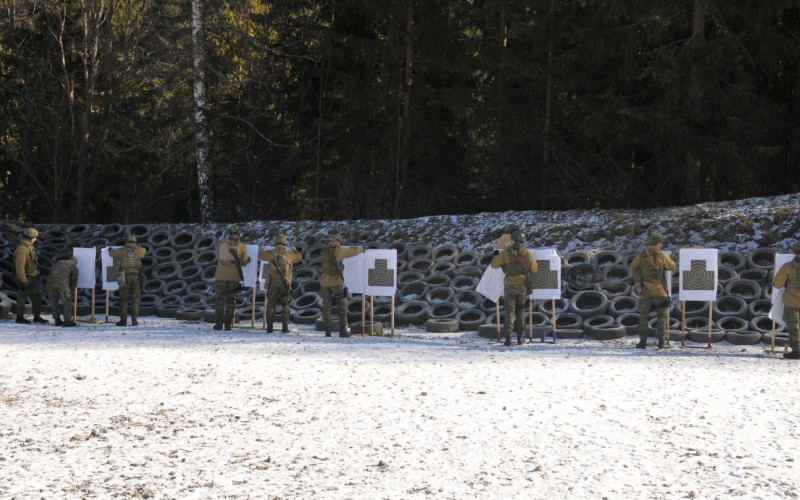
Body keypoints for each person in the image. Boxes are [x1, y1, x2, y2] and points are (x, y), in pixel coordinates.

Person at [490, 230, 537, 346]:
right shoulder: (527, 254)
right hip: (522, 286)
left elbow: (494, 265)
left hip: (510, 287)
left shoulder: (506, 253)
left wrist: (496, 256)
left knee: (509, 312)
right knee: (520, 312)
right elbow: (534, 269)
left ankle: (508, 339)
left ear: (513, 240)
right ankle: (520, 338)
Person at [630, 232, 677, 349]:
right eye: (661, 242)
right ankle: (661, 342)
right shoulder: (662, 256)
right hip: (660, 291)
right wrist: (672, 259)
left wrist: (639, 278)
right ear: (658, 243)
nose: (662, 244)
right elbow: (672, 267)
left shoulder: (641, 255)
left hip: (645, 289)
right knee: (661, 317)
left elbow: (632, 267)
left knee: (643, 316)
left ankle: (642, 342)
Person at [320, 235, 363, 337]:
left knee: (327, 306)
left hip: (324, 283)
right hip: (336, 282)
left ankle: (328, 330)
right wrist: (363, 249)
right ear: (338, 242)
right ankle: (343, 330)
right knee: (342, 306)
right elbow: (353, 251)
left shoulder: (324, 250)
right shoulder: (339, 251)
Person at [258, 234, 302, 333]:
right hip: (284, 282)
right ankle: (285, 327)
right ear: (285, 243)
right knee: (285, 305)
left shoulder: (270, 253)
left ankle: (269, 327)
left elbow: (260, 256)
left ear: (276, 243)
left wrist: (261, 249)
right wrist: (295, 250)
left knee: (271, 305)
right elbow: (299, 257)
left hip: (272, 282)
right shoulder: (288, 254)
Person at [214, 224, 251, 331]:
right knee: (231, 300)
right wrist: (247, 261)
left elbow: (220, 256)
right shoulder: (241, 246)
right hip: (234, 277)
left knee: (219, 300)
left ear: (229, 232)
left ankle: (218, 324)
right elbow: (244, 262)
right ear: (239, 233)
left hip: (221, 275)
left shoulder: (221, 244)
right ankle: (228, 325)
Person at [109, 235, 147, 326]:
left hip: (124, 276)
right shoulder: (139, 250)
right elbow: (144, 250)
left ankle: (123, 320)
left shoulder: (121, 251)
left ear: (126, 241)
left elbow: (111, 254)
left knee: (124, 299)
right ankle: (134, 320)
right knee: (135, 299)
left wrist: (110, 249)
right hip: (136, 276)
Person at [14, 227, 48, 324]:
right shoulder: (22, 249)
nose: (36, 239)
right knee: (22, 297)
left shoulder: (30, 247)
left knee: (36, 297)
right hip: (25, 277)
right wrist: (23, 281)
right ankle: (19, 317)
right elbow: (20, 267)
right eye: (35, 237)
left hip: (32, 277)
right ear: (30, 237)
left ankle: (37, 316)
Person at [773, 242, 800, 359]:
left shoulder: (788, 266)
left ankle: (797, 351)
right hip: (791, 302)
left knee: (794, 328)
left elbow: (777, 284)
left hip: (792, 302)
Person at [47, 256, 79, 327]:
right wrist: (71, 289)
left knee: (53, 301)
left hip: (50, 282)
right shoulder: (73, 266)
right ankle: (67, 321)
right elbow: (74, 280)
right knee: (67, 301)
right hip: (62, 283)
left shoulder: (60, 262)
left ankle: (57, 320)